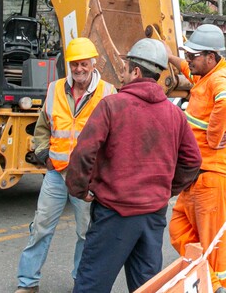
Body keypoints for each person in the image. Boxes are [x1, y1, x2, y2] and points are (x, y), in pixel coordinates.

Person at [65, 39, 202, 293]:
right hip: (153, 216)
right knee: (147, 287)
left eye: (126, 68)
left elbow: (83, 152)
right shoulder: (174, 114)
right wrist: (166, 189)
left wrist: (79, 189)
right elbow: (193, 160)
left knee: (91, 285)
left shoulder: (112, 106)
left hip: (114, 215)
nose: (123, 74)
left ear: (136, 71)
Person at [16, 37, 116, 293]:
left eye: (83, 64)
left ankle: (81, 283)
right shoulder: (54, 89)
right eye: (74, 65)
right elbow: (42, 127)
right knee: (40, 227)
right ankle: (27, 283)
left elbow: (115, 138)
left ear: (94, 64)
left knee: (85, 234)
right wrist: (44, 154)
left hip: (87, 179)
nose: (78, 69)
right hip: (56, 175)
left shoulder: (108, 93)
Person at [166, 24, 226, 293]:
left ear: (211, 56)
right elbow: (186, 70)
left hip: (213, 176)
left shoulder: (220, 80)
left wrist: (212, 136)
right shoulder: (205, 74)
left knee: (213, 243)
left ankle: (219, 286)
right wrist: (168, 56)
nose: (189, 60)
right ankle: (206, 277)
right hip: (197, 176)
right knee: (178, 227)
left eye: (193, 56)